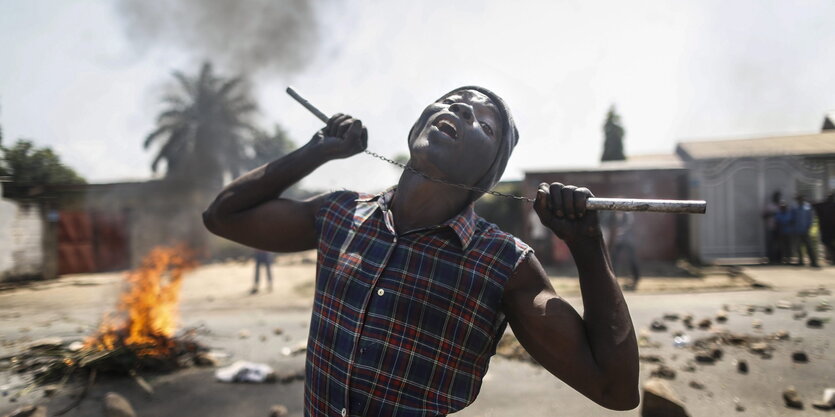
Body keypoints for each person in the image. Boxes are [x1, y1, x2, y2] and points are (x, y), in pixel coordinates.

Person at [203, 87, 639, 416]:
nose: (463, 108)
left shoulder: (504, 264)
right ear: (418, 126)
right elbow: (222, 216)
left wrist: (587, 245)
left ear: (488, 174)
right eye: (453, 99)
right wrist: (319, 149)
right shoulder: (339, 214)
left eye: (485, 125)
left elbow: (614, 389)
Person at [607, 211, 640, 290]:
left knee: (632, 260)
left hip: (628, 240)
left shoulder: (628, 214)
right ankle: (612, 278)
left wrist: (620, 231)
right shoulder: (614, 215)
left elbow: (629, 225)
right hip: (619, 240)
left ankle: (636, 278)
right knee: (613, 259)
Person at [792, 194, 819, 267]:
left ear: (803, 199)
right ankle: (801, 261)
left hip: (805, 229)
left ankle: (813, 262)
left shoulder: (807, 207)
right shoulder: (795, 208)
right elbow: (793, 218)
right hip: (797, 230)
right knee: (798, 246)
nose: (799, 200)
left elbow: (811, 218)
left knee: (809, 246)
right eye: (798, 199)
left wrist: (809, 226)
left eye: (800, 198)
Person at [813, 192, 835, 265]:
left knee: (828, 242)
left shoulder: (826, 205)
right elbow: (813, 205)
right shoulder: (823, 205)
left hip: (831, 228)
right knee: (826, 242)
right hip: (825, 228)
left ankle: (832, 258)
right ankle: (832, 257)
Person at [762, 191, 782, 263]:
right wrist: (771, 214)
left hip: (780, 228)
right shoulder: (769, 206)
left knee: (779, 244)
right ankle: (771, 259)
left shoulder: (781, 206)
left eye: (778, 197)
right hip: (771, 227)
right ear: (773, 198)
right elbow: (763, 216)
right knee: (771, 243)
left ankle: (779, 259)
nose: (777, 198)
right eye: (776, 197)